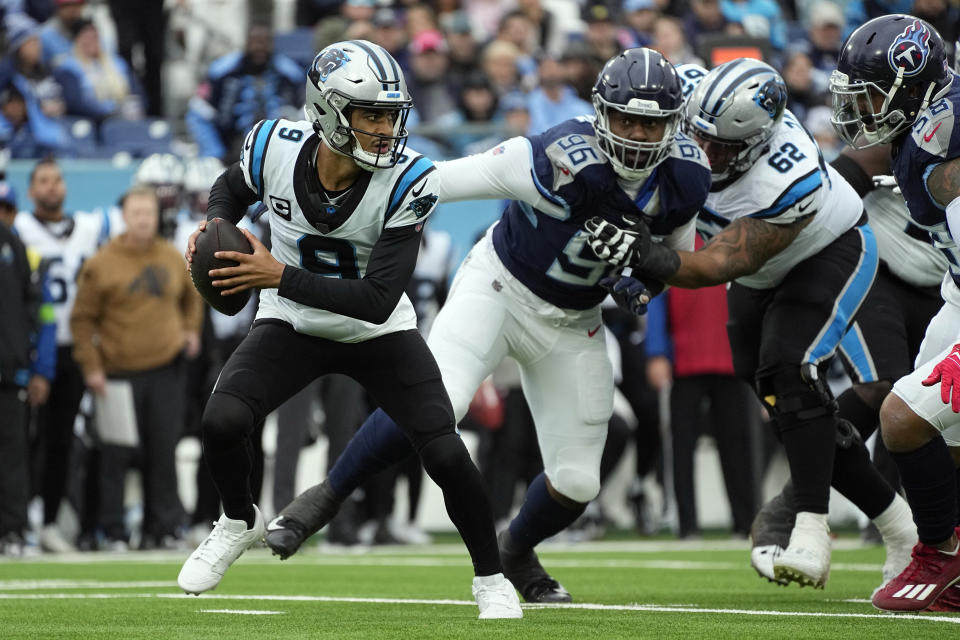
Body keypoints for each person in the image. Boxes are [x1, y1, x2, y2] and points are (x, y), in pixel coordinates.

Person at [264, 47, 712, 604]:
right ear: (601, 114)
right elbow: (435, 181)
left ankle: (516, 552)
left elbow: (677, 260)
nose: (639, 135)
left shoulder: (687, 178)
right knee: (439, 403)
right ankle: (323, 499)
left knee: (578, 481)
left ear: (673, 125)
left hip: (574, 322)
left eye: (652, 123)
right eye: (627, 120)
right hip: (498, 287)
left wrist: (641, 281)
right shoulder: (549, 156)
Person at [175, 40, 522, 620]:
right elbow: (231, 189)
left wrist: (277, 273)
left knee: (443, 451)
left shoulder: (409, 180)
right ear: (329, 112)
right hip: (294, 322)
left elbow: (376, 298)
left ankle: (491, 578)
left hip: (377, 332)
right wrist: (214, 223)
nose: (388, 129)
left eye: (392, 115)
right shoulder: (273, 149)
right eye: (373, 115)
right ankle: (237, 519)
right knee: (222, 419)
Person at [584, 58, 881, 589]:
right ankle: (899, 525)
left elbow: (718, 263)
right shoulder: (695, 93)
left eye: (720, 147)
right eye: (698, 135)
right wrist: (646, 272)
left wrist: (646, 257)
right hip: (764, 276)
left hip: (829, 249)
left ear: (758, 141)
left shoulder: (786, 176)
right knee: (784, 402)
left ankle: (809, 527)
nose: (704, 152)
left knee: (793, 373)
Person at [829, 14, 960, 612]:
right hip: (957, 294)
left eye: (874, 91)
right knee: (942, 432)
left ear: (911, 84)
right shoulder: (927, 131)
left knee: (902, 417)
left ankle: (938, 555)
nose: (862, 106)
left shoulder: (944, 140)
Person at [70, 185, 202, 550]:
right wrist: (92, 367)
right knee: (115, 455)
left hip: (166, 369)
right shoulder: (102, 261)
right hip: (117, 373)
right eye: (137, 213)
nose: (145, 219)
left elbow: (193, 297)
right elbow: (82, 321)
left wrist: (190, 331)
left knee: (163, 452)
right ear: (124, 217)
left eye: (150, 212)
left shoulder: (171, 256)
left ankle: (161, 529)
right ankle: (110, 530)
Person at [14, 157, 121, 553]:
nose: (51, 187)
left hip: (76, 346)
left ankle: (49, 520)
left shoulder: (90, 229)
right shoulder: (20, 231)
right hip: (30, 347)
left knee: (61, 440)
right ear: (31, 190)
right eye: (42, 181)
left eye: (56, 180)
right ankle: (18, 516)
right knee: (23, 439)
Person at [0, 180, 54, 557]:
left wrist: (40, 369)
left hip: (10, 372)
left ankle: (14, 530)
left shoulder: (22, 252)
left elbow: (42, 317)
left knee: (13, 457)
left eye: (4, 210)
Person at [185, 23, 303, 163]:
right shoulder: (221, 72)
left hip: (280, 150)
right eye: (255, 42)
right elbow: (198, 112)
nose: (260, 48)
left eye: (264, 42)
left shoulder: (290, 74)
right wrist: (215, 155)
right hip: (231, 149)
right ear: (246, 44)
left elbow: (305, 113)